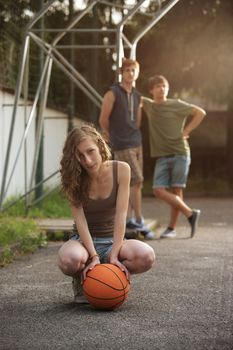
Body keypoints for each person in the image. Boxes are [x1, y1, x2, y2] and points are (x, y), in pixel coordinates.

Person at [58, 124, 155, 303]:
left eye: (90, 151)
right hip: (83, 242)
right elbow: (80, 220)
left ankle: (112, 275)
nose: (87, 160)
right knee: (68, 261)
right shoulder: (73, 177)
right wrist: (94, 255)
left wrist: (115, 255)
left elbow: (121, 214)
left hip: (112, 240)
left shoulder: (122, 169)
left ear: (100, 146)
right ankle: (82, 278)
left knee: (146, 256)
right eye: (80, 155)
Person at [142, 75, 206, 238]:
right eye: (157, 86)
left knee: (176, 191)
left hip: (180, 153)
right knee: (158, 190)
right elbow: (134, 97)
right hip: (162, 156)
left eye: (164, 86)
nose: (161, 89)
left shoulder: (176, 104)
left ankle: (171, 228)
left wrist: (187, 131)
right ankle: (190, 213)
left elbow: (200, 112)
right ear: (151, 90)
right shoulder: (149, 105)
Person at [99, 58, 155, 240]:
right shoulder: (112, 93)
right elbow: (103, 120)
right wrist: (114, 137)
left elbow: (137, 122)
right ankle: (138, 219)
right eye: (128, 70)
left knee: (133, 182)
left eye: (134, 70)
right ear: (122, 73)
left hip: (136, 141)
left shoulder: (138, 96)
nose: (131, 73)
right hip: (122, 143)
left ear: (137, 73)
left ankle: (130, 218)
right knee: (136, 181)